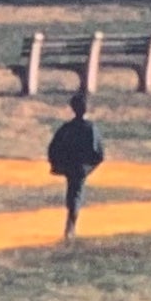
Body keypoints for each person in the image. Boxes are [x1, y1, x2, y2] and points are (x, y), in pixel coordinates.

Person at [48, 91, 106, 239]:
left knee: (73, 192)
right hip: (80, 167)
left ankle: (70, 224)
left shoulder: (67, 128)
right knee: (76, 194)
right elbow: (98, 153)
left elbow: (54, 147)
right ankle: (70, 226)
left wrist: (57, 164)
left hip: (70, 165)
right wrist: (89, 167)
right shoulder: (90, 128)